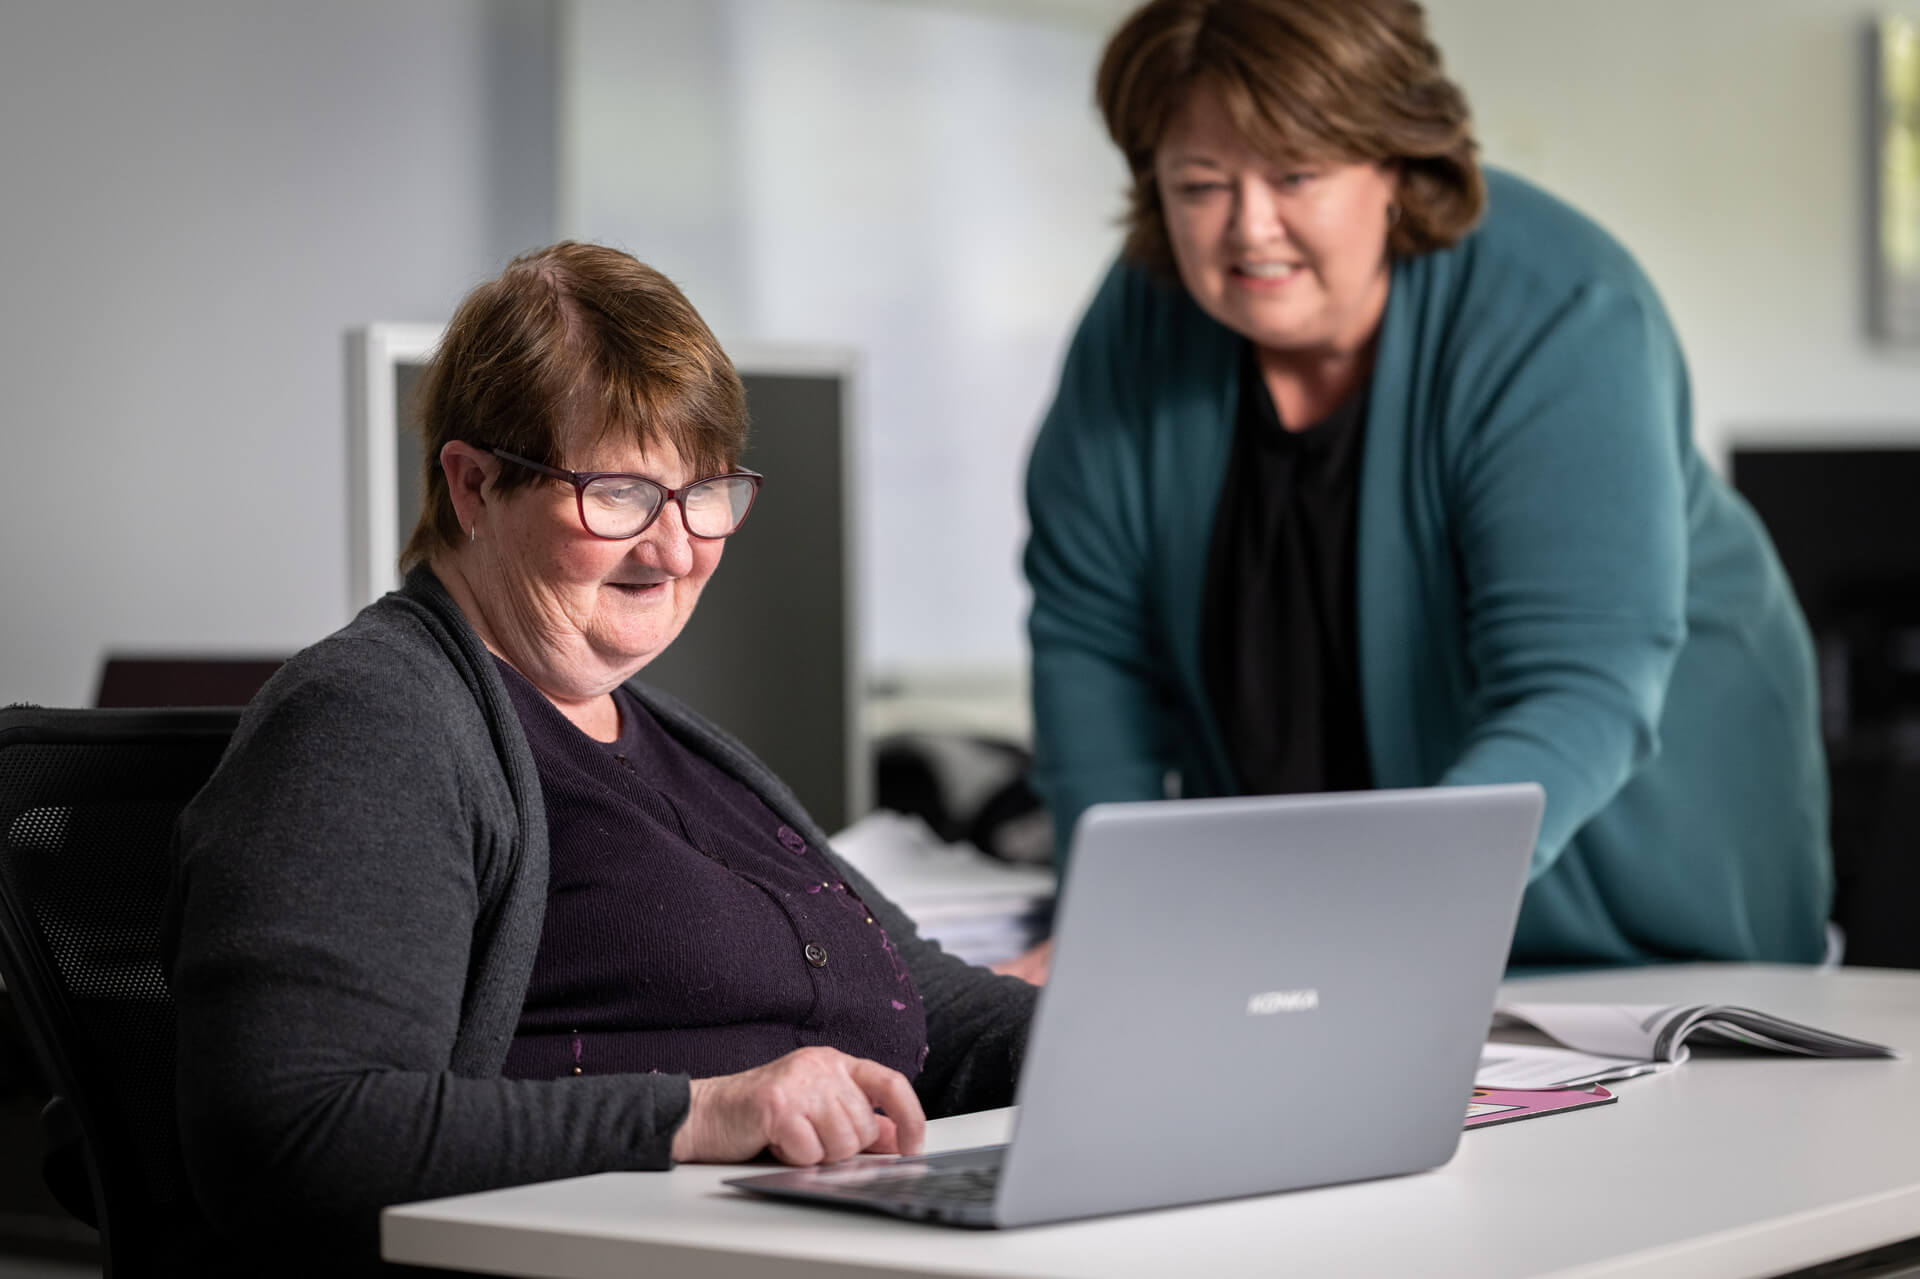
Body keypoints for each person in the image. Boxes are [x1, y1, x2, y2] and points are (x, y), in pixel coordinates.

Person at [164, 242, 1035, 1274]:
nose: (672, 546)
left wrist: (1150, 1033)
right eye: (619, 492)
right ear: (474, 483)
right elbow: (297, 1133)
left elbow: (918, 1001)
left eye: (704, 491)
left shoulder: (678, 744)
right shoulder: (371, 721)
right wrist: (702, 1115)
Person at [1012, 0, 1831, 981]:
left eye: (1296, 175)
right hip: (1333, 941)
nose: (1248, 228)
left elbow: (1579, 688)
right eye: (1200, 184)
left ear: (1395, 164)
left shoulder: (1559, 308)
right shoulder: (1138, 327)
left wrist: (1366, 929)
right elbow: (1090, 643)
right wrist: (1118, 919)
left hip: (1631, 919)